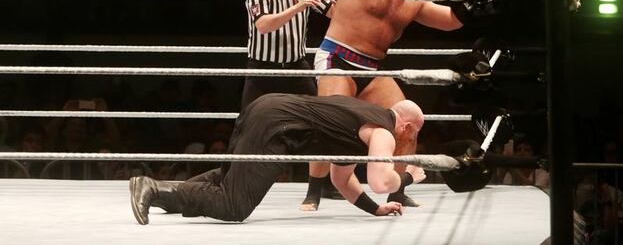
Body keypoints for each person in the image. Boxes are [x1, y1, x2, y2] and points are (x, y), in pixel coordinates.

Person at [293, 0, 466, 209]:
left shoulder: (413, 1)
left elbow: (451, 21)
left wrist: (474, 0)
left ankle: (396, 191)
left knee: (408, 119)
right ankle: (314, 189)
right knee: (330, 122)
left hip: (372, 69)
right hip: (338, 58)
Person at [129, 94, 427, 225]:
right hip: (278, 126)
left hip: (267, 108)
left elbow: (342, 180)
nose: (408, 142)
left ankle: (163, 196)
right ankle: (152, 188)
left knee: (228, 179)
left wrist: (375, 210)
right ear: (408, 127)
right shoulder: (384, 131)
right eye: (412, 136)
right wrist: (408, 177)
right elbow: (380, 180)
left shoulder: (363, 118)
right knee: (234, 206)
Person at [242, 0, 334, 110]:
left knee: (318, 115)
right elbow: (263, 25)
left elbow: (333, 12)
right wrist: (297, 7)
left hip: (296, 66)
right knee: (249, 119)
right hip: (262, 68)